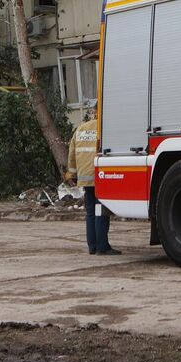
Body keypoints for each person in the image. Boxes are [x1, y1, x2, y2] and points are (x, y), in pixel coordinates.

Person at [66, 103, 117, 256]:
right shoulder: (105, 129)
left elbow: (72, 153)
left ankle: (92, 246)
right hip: (100, 176)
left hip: (85, 178)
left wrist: (72, 174)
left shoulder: (80, 129)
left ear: (94, 111)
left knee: (90, 212)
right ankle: (103, 247)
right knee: (101, 211)